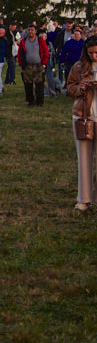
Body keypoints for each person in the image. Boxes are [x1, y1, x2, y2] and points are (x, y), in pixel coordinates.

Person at [66, 35, 97, 212]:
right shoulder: (78, 67)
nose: (94, 56)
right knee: (84, 159)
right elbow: (69, 88)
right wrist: (80, 88)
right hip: (83, 116)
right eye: (91, 53)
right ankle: (84, 199)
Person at [17, 24, 48, 107]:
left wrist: (44, 63)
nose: (30, 32)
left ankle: (39, 101)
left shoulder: (40, 41)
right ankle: (30, 101)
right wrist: (21, 64)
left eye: (32, 30)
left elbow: (45, 52)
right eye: (29, 30)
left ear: (35, 31)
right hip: (27, 66)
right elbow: (20, 53)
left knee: (39, 84)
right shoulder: (23, 41)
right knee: (28, 85)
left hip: (38, 65)